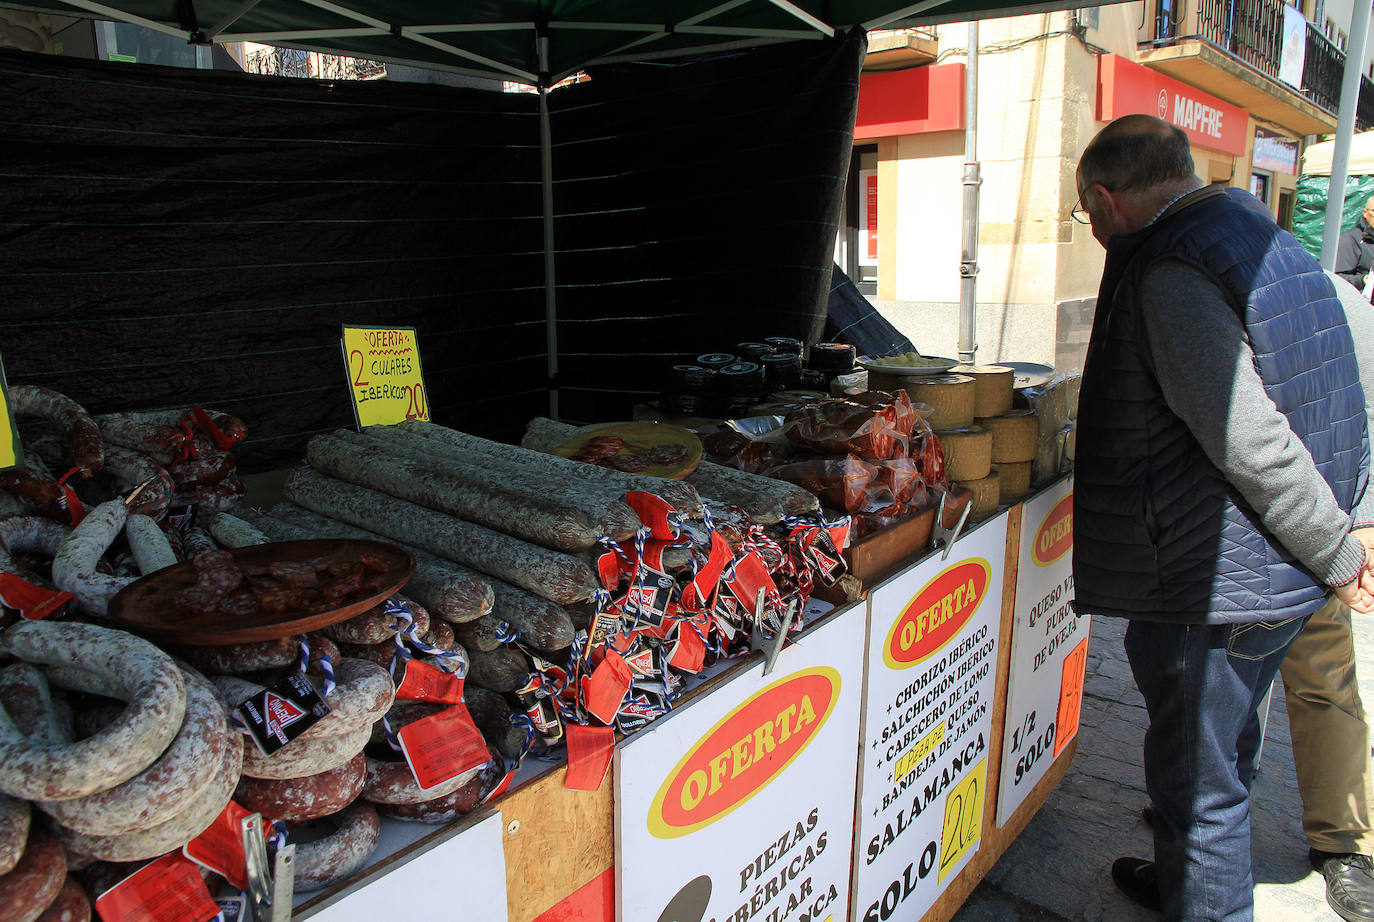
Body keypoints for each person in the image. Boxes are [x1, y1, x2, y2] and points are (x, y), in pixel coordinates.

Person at [1071, 113, 1374, 922]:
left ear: (1105, 201)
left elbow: (1251, 438)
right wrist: (1345, 525)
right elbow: (1339, 376)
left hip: (1219, 584)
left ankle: (1201, 893)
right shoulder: (1248, 224)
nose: (1092, 230)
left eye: (1085, 217)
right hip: (1269, 571)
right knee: (1223, 761)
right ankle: (1183, 885)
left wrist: (1338, 552)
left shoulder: (1170, 267)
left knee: (1200, 796)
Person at [1277, 269, 1374, 922]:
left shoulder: (1329, 299)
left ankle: (1343, 842)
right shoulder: (1191, 283)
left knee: (1322, 673)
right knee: (1218, 684)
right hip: (1227, 536)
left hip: (1317, 521)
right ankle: (1201, 811)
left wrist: (1365, 516)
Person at [1335, 196, 1374, 296]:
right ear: (1365, 212)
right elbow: (1336, 279)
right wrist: (1363, 280)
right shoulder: (1351, 239)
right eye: (1373, 211)